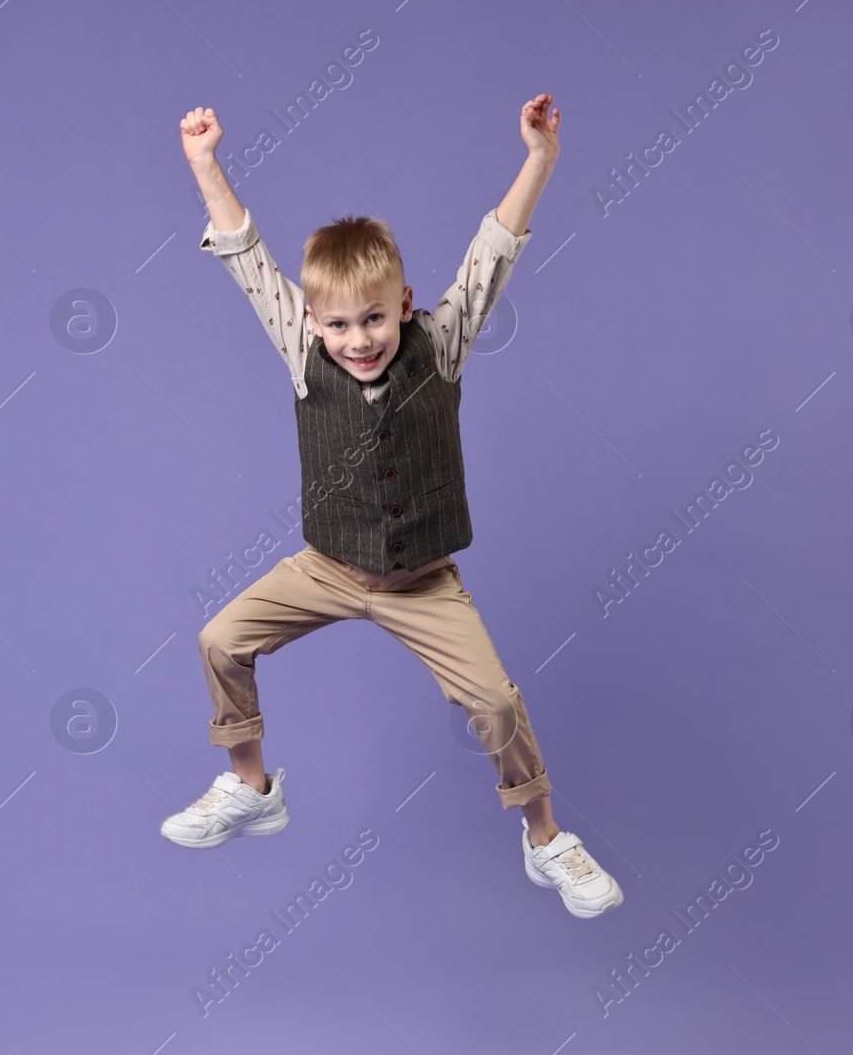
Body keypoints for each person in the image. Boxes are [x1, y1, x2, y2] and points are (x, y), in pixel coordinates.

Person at [161, 96, 622, 919]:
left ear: (404, 304)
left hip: (422, 581)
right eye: (338, 323)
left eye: (374, 317)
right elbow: (247, 257)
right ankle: (251, 786)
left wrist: (540, 159)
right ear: (312, 321)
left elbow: (493, 252)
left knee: (495, 703)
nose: (358, 338)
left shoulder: (439, 348)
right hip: (327, 569)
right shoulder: (303, 351)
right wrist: (205, 164)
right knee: (219, 638)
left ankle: (547, 837)